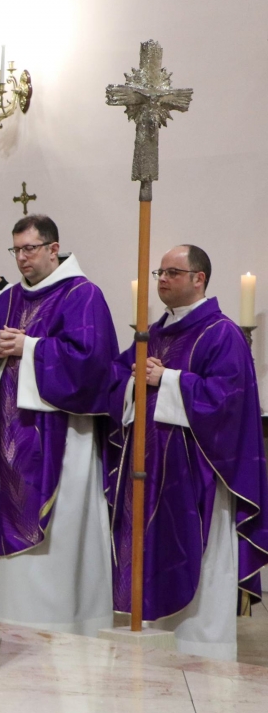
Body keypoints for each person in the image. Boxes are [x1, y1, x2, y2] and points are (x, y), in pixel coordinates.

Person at [106, 245, 268, 658]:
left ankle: (204, 651)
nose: (162, 279)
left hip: (199, 475)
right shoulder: (154, 332)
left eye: (173, 272)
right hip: (149, 470)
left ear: (199, 279)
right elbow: (119, 378)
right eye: (159, 272)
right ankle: (155, 641)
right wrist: (134, 381)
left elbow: (228, 403)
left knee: (201, 559)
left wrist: (169, 380)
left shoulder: (222, 333)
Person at [0, 215, 118, 636]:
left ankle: (63, 619)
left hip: (62, 435)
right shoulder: (8, 299)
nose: (22, 258)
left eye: (30, 248)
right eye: (16, 250)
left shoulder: (82, 294)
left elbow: (92, 363)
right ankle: (8, 614)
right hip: (7, 435)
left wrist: (30, 347)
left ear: (54, 249)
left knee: (63, 527)